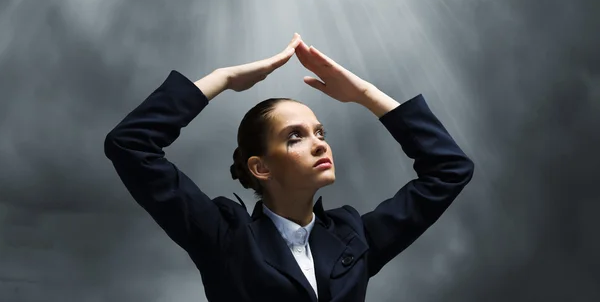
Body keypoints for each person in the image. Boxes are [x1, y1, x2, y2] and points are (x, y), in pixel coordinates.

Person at [104, 33, 474, 302]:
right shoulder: (225, 236)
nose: (319, 143)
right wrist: (223, 79)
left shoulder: (351, 236)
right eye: (295, 137)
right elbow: (130, 144)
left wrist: (364, 94)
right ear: (260, 167)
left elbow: (450, 169)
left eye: (319, 132)